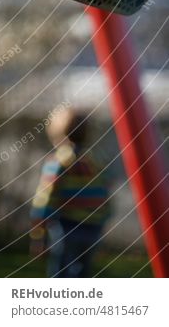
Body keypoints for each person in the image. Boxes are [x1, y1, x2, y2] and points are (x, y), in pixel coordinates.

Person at [29, 107, 112, 277]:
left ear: (57, 135)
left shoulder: (59, 162)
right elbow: (105, 194)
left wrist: (38, 233)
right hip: (93, 228)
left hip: (67, 226)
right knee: (83, 274)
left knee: (60, 273)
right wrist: (102, 221)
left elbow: (45, 198)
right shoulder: (96, 161)